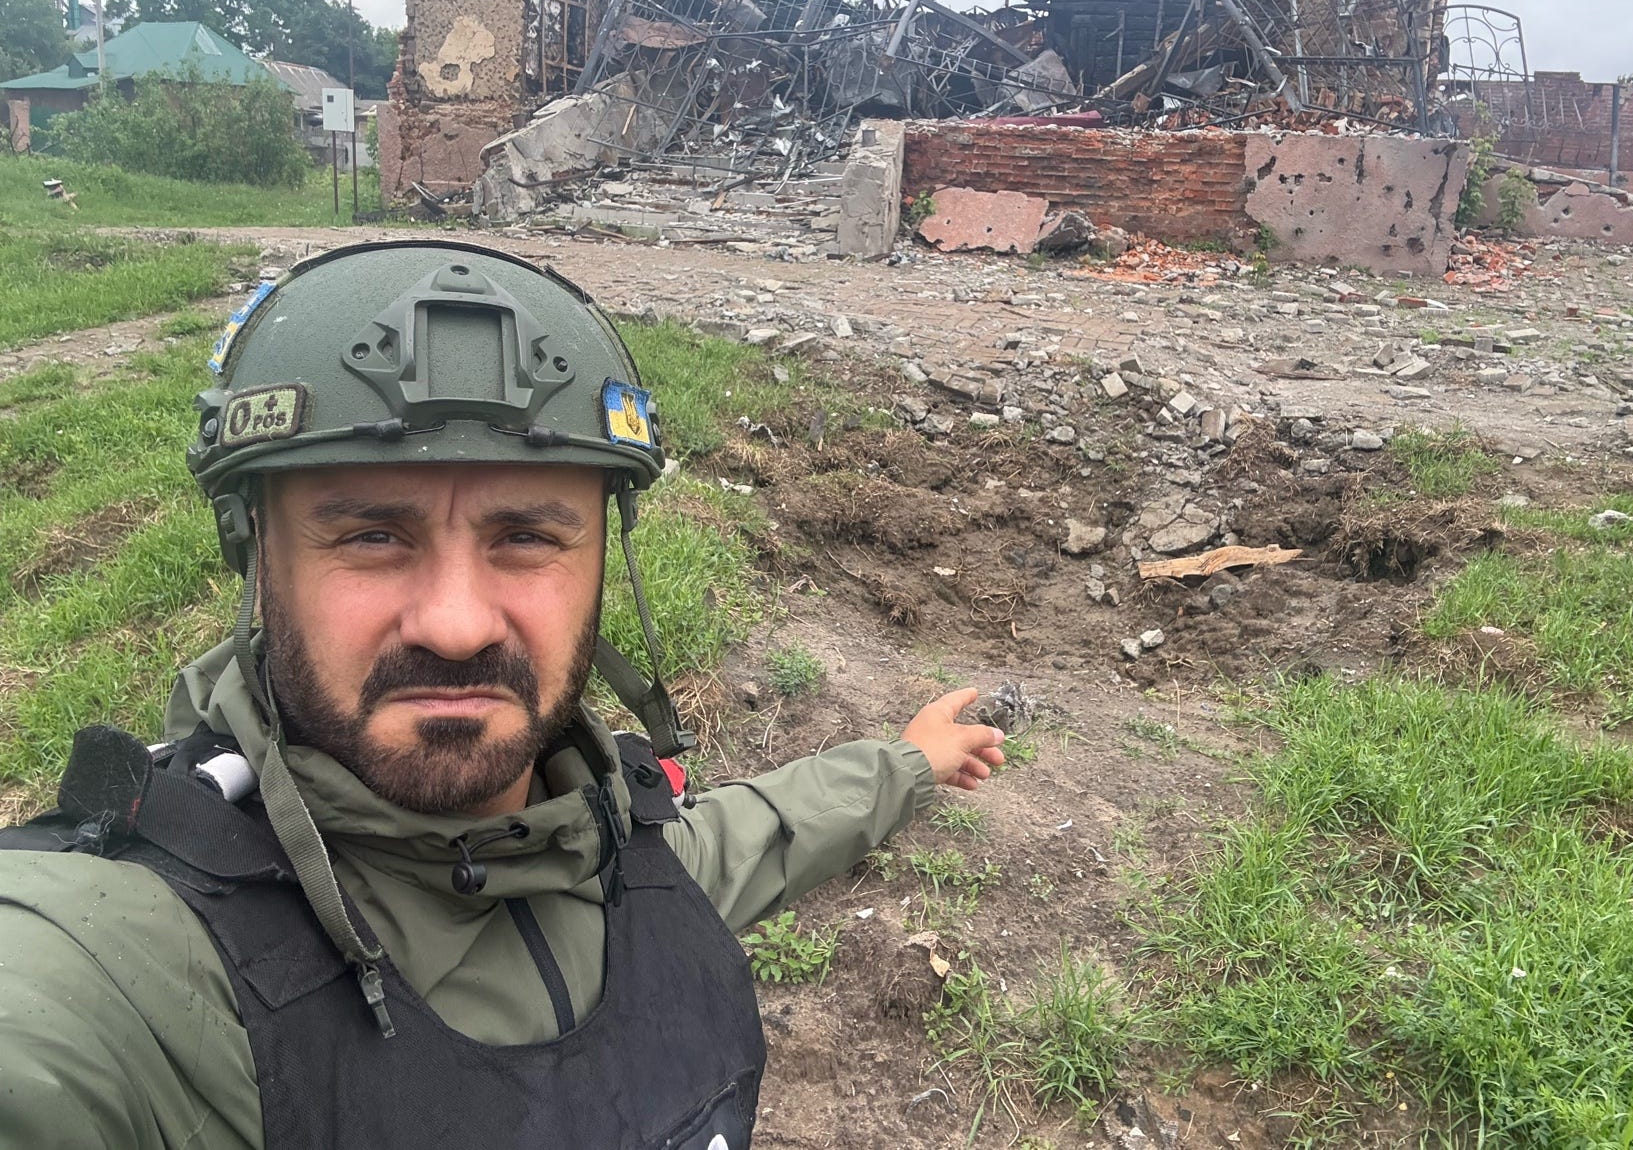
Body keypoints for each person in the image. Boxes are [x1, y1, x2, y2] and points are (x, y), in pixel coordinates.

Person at [0, 241, 1005, 1150]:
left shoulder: (607, 848)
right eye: (372, 535)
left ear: (602, 564)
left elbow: (753, 837)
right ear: (257, 557)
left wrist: (911, 761)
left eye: (526, 535)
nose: (456, 625)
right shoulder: (120, 971)